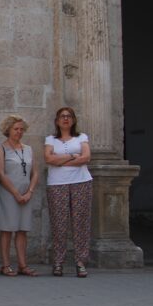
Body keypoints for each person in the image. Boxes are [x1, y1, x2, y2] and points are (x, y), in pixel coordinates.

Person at [44, 106, 93, 277]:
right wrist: (73, 157)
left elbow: (86, 157)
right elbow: (48, 158)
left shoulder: (81, 137)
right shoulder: (50, 139)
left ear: (73, 120)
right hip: (57, 183)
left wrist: (61, 161)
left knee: (81, 223)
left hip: (81, 181)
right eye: (62, 116)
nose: (66, 119)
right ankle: (58, 262)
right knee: (59, 223)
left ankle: (81, 262)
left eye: (69, 116)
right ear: (57, 121)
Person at [0, 115, 39, 276]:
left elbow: (35, 173)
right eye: (16, 129)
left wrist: (30, 192)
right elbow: (1, 173)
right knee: (7, 229)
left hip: (26, 194)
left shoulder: (28, 149)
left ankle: (22, 264)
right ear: (8, 130)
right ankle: (6, 265)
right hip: (8, 194)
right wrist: (15, 193)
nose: (19, 132)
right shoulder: (1, 148)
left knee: (22, 229)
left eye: (21, 129)